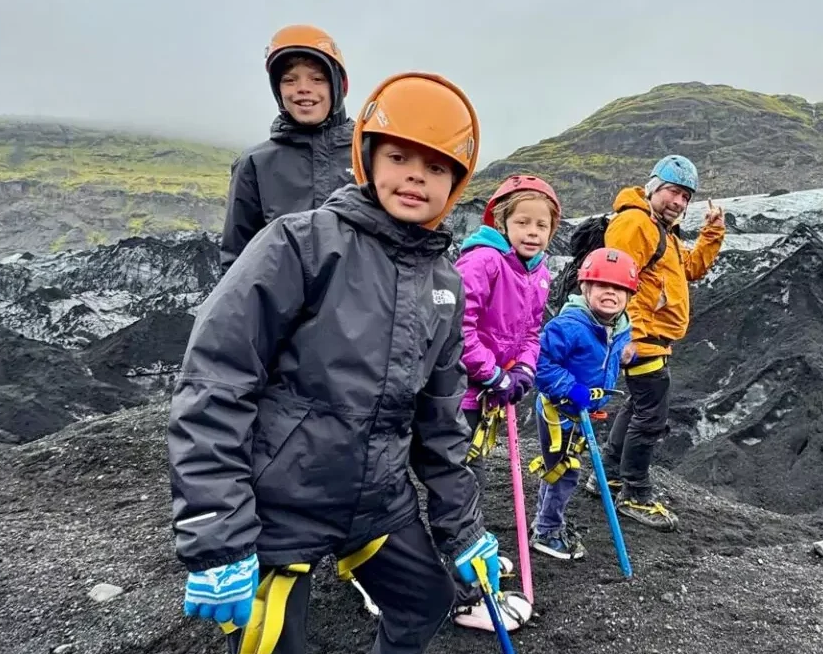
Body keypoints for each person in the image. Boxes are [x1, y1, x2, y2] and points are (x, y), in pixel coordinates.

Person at [167, 71, 532, 654]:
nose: (416, 175)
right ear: (367, 158)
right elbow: (215, 383)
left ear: (457, 184)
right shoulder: (299, 243)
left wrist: (463, 531)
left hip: (379, 501)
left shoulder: (444, 282)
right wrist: (219, 537)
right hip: (282, 504)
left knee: (426, 602)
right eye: (400, 156)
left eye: (437, 166)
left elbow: (440, 423)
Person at [592, 154, 726, 531]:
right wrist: (626, 332)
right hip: (642, 338)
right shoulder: (635, 223)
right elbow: (616, 280)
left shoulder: (661, 231)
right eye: (672, 191)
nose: (679, 202)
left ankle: (609, 477)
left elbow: (692, 268)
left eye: (686, 196)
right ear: (652, 187)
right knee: (651, 417)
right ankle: (635, 494)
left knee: (638, 407)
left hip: (651, 337)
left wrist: (712, 232)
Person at [450, 173, 559, 628]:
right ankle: (460, 579)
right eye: (524, 223)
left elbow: (531, 332)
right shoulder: (483, 262)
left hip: (495, 392)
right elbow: (459, 324)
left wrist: (525, 368)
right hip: (463, 392)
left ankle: (470, 549)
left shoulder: (539, 275)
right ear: (501, 221)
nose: (533, 233)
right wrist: (491, 372)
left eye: (542, 226)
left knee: (473, 473)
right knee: (460, 477)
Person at [219, 24, 354, 272]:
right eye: (289, 80)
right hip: (284, 310)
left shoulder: (372, 154)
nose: (303, 88)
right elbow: (237, 264)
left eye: (317, 78)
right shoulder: (255, 164)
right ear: (278, 91)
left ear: (339, 86)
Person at [529, 248, 636, 559]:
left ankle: (546, 521)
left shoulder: (620, 326)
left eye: (618, 289)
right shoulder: (569, 325)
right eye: (602, 286)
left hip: (584, 412)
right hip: (559, 412)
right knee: (564, 473)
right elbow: (541, 363)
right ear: (585, 287)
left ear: (628, 295)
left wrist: (626, 356)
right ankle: (547, 532)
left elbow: (607, 356)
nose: (610, 293)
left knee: (560, 469)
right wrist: (571, 388)